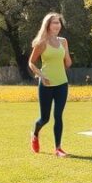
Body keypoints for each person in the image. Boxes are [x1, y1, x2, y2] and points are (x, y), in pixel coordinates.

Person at [28, 12, 72, 157]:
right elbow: (31, 62)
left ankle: (58, 148)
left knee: (58, 115)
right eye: (54, 22)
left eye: (58, 22)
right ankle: (35, 133)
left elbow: (68, 63)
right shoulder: (41, 43)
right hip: (46, 84)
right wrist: (41, 75)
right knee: (44, 118)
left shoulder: (63, 41)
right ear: (48, 25)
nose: (57, 25)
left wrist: (66, 56)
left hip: (62, 83)